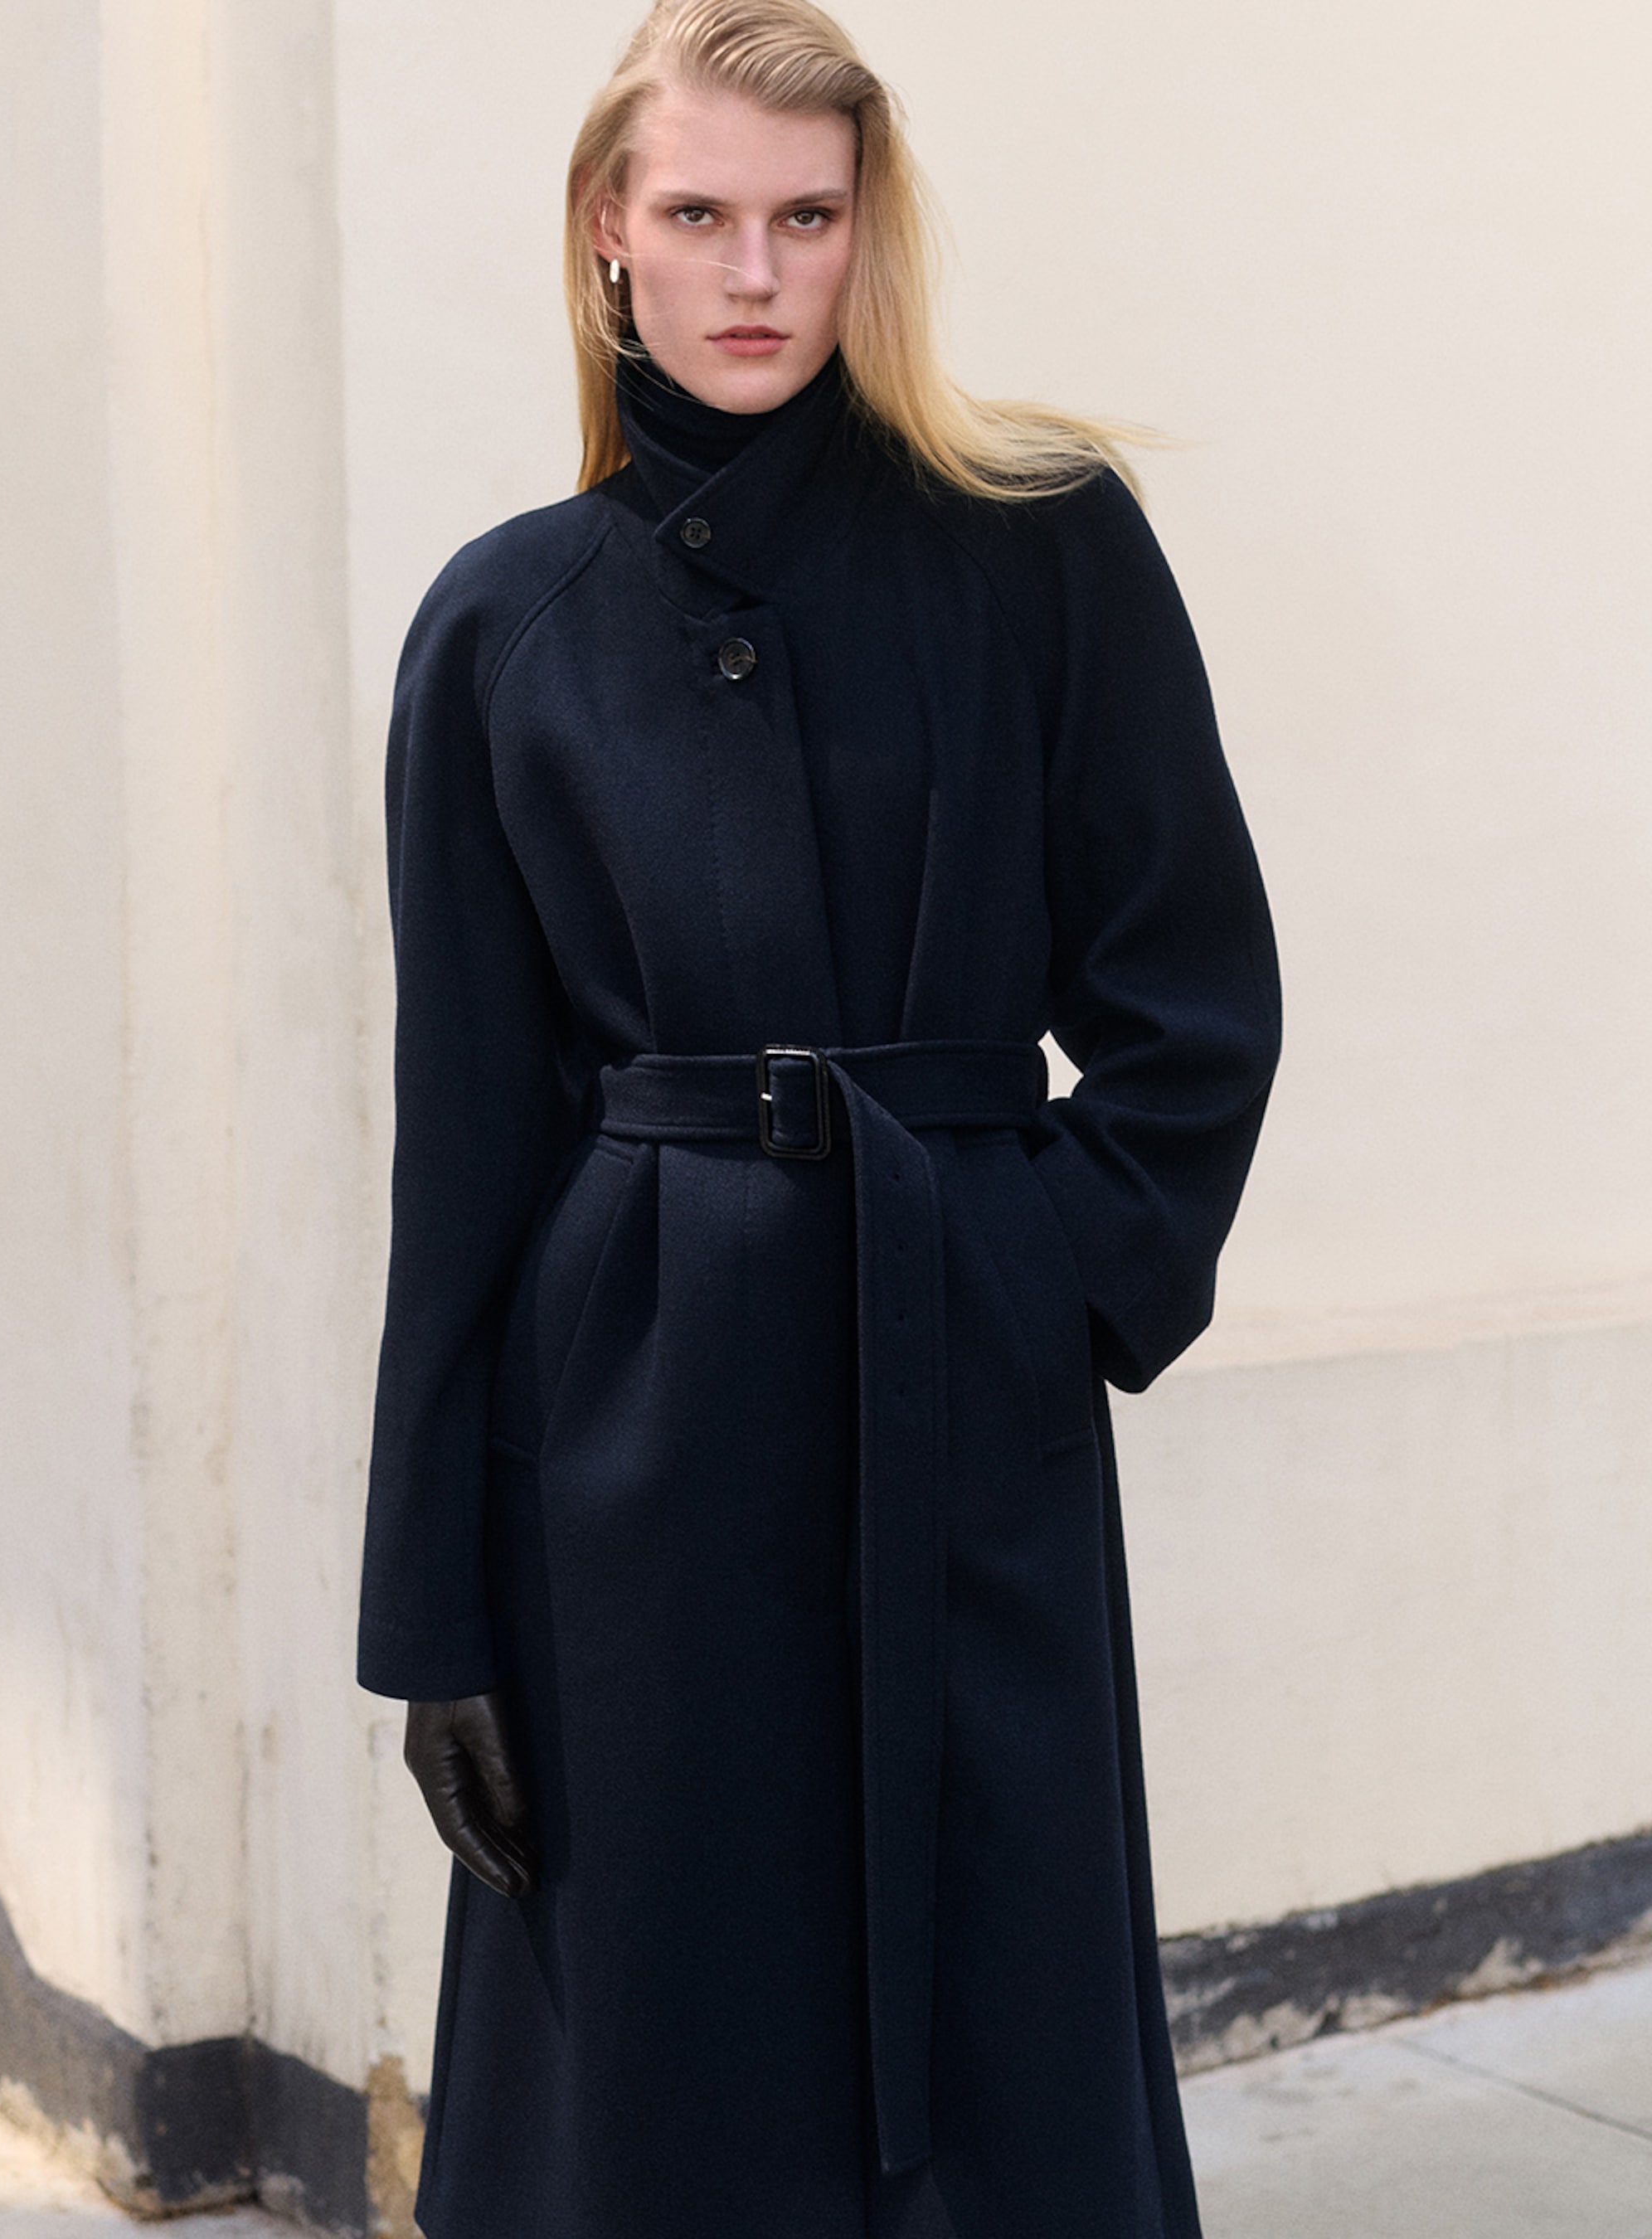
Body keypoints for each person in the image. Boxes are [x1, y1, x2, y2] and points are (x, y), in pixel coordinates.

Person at [357, 2, 1281, 2233]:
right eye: (699, 214)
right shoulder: (502, 630)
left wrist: (1026, 1276)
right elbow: (464, 1143)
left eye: (805, 216)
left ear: (871, 238)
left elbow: (1192, 1005)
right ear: (609, 235)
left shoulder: (1042, 548)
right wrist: (434, 1614)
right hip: (625, 1445)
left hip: (962, 1393)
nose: (755, 272)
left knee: (1004, 2038)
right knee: (661, 2066)